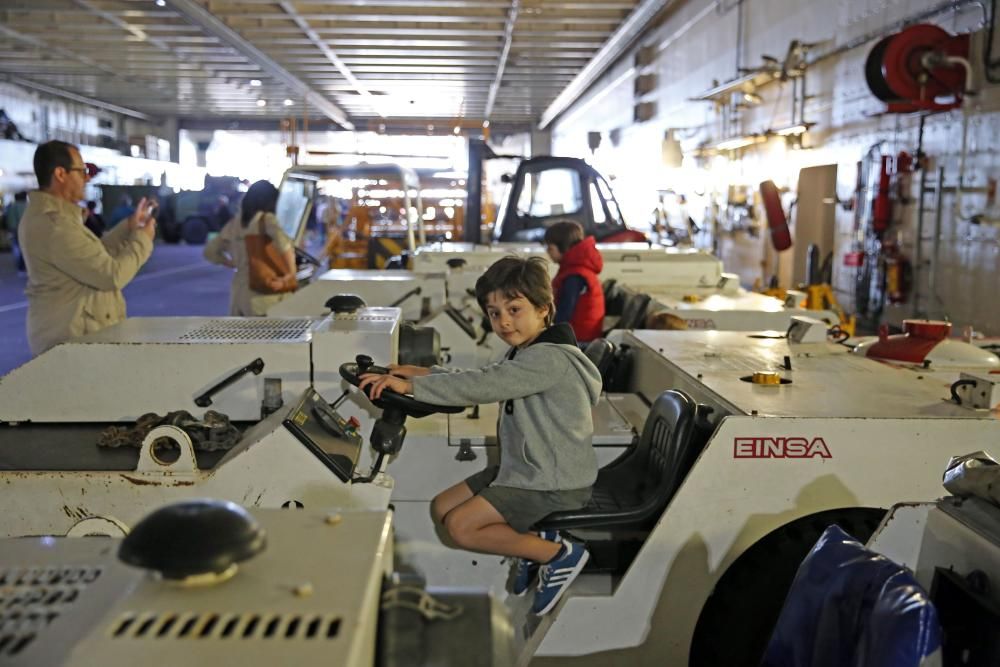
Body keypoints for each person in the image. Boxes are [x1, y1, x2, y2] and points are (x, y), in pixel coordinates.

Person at [359, 256, 602, 616]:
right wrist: (423, 372)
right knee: (443, 506)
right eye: (494, 313)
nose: (503, 321)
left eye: (514, 309)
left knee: (460, 526)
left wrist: (414, 386)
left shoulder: (548, 359)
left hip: (550, 480)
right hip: (525, 466)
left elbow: (484, 385)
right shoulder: (529, 351)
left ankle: (556, 553)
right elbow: (486, 374)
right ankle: (531, 547)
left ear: (544, 309)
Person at [19, 141, 156, 356]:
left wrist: (128, 227)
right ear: (60, 174)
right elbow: (111, 275)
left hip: (76, 337)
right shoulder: (55, 226)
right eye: (82, 171)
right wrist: (142, 239)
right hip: (71, 341)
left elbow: (92, 255)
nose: (87, 178)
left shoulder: (59, 220)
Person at [204, 179, 296, 316]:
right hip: (262, 296)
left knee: (241, 336)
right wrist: (290, 274)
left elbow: (209, 251)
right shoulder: (266, 220)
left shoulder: (234, 223)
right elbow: (285, 245)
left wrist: (231, 263)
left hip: (238, 295)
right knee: (266, 336)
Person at [544, 220, 605, 343]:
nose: (547, 252)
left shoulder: (575, 276)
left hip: (579, 338)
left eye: (550, 248)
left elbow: (564, 313)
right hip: (581, 333)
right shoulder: (575, 268)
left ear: (563, 247)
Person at [4, 191, 28, 272]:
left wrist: (11, 230)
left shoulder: (13, 207)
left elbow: (11, 221)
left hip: (17, 230)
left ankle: (21, 266)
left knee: (19, 248)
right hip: (28, 229)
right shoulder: (28, 206)